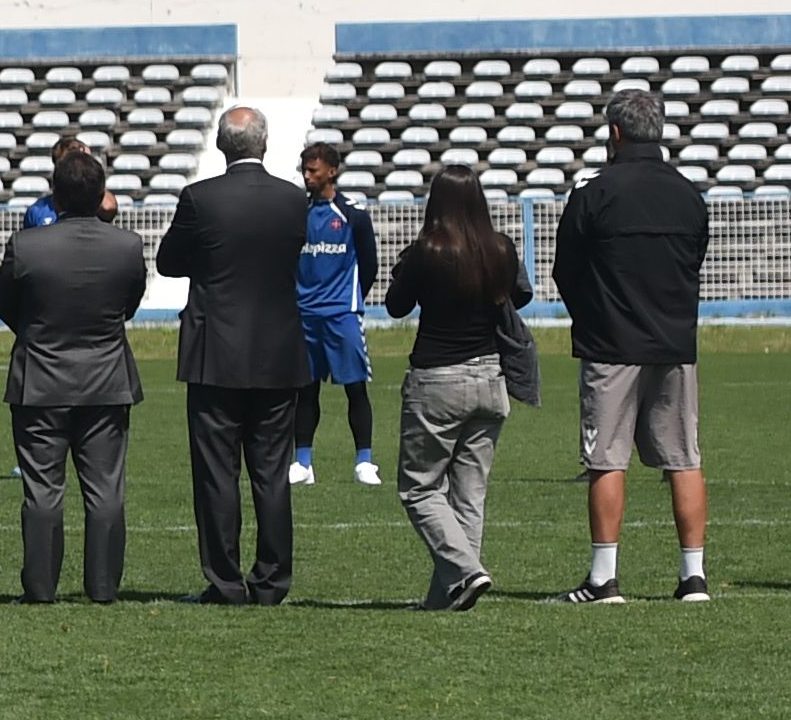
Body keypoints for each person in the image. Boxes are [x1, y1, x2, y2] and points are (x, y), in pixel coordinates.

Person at [553, 84, 713, 603]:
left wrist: (593, 316)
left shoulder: (593, 192)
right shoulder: (687, 194)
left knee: (606, 459)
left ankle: (604, 578)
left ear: (615, 133)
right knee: (683, 458)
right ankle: (693, 576)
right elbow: (695, 259)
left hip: (611, 343)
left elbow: (566, 271)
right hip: (674, 341)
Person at [157, 105, 313, 605]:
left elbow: (168, 261)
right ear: (263, 144)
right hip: (278, 350)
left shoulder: (199, 198)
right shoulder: (294, 199)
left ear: (222, 145)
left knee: (216, 474)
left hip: (215, 352)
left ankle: (225, 581)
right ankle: (272, 580)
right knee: (272, 474)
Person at [0, 143, 147, 606]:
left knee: (42, 490)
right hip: (106, 379)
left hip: (40, 379)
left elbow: (4, 302)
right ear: (102, 195)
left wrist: (37, 333)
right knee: (106, 490)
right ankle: (103, 586)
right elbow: (129, 305)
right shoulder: (126, 246)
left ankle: (41, 587)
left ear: (54, 194)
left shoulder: (27, 245)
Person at [380, 163, 528, 611]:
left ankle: (465, 571)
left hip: (438, 380)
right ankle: (446, 596)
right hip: (490, 378)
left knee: (419, 489)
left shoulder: (427, 250)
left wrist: (404, 271)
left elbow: (395, 306)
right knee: (469, 494)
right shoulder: (500, 248)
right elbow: (519, 296)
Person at [290, 139, 382, 491]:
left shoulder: (353, 215)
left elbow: (369, 265)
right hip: (304, 315)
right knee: (305, 391)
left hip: (342, 315)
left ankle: (364, 461)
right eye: (304, 170)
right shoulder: (296, 214)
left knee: (355, 388)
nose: (307, 176)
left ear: (332, 171)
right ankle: (303, 463)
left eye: (313, 170)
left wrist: (349, 300)